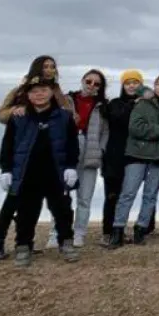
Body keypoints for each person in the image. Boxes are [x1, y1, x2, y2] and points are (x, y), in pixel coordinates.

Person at [0, 74, 79, 267]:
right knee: (26, 212)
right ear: (28, 95)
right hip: (28, 173)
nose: (39, 94)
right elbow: (7, 145)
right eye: (34, 91)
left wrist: (70, 167)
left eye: (43, 90)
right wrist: (6, 169)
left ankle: (66, 242)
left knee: (62, 210)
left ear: (51, 92)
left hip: (56, 173)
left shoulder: (64, 117)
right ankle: (23, 246)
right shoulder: (18, 117)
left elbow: (72, 145)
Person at [110, 73, 159, 246]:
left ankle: (141, 229)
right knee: (128, 193)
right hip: (136, 154)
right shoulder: (142, 103)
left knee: (150, 195)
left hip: (158, 156)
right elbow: (136, 128)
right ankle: (117, 229)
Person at [98, 70, 144, 241]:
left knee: (128, 194)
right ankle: (108, 231)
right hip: (114, 155)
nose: (132, 85)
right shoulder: (115, 103)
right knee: (112, 195)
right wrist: (134, 105)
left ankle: (125, 229)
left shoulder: (146, 104)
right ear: (123, 85)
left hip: (134, 155)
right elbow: (119, 118)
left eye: (135, 82)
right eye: (128, 82)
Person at [68, 69, 109, 248]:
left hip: (91, 151)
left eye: (96, 83)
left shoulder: (103, 106)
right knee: (62, 195)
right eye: (89, 81)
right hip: (69, 149)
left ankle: (79, 233)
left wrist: (101, 149)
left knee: (85, 197)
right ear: (82, 80)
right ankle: (57, 233)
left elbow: (106, 131)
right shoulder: (67, 100)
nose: (91, 85)